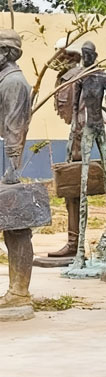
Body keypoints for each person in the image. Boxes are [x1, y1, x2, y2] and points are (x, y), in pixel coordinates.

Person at [68, 41, 106, 268]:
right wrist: (73, 134)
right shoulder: (81, 79)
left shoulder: (105, 78)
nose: (85, 57)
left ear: (94, 55)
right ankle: (79, 252)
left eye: (88, 54)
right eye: (83, 54)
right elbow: (76, 111)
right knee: (83, 186)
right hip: (87, 131)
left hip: (101, 131)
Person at [0, 30, 35, 309]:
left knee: (16, 225)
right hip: (7, 164)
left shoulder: (13, 82)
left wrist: (11, 169)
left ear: (4, 53)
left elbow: (14, 129)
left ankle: (19, 291)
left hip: (8, 166)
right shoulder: (6, 80)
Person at [47, 39, 83, 258]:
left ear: (70, 56)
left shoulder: (77, 78)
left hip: (83, 142)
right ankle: (73, 243)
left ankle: (75, 244)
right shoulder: (66, 77)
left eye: (59, 54)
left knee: (75, 191)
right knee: (72, 193)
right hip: (76, 140)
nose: (55, 59)